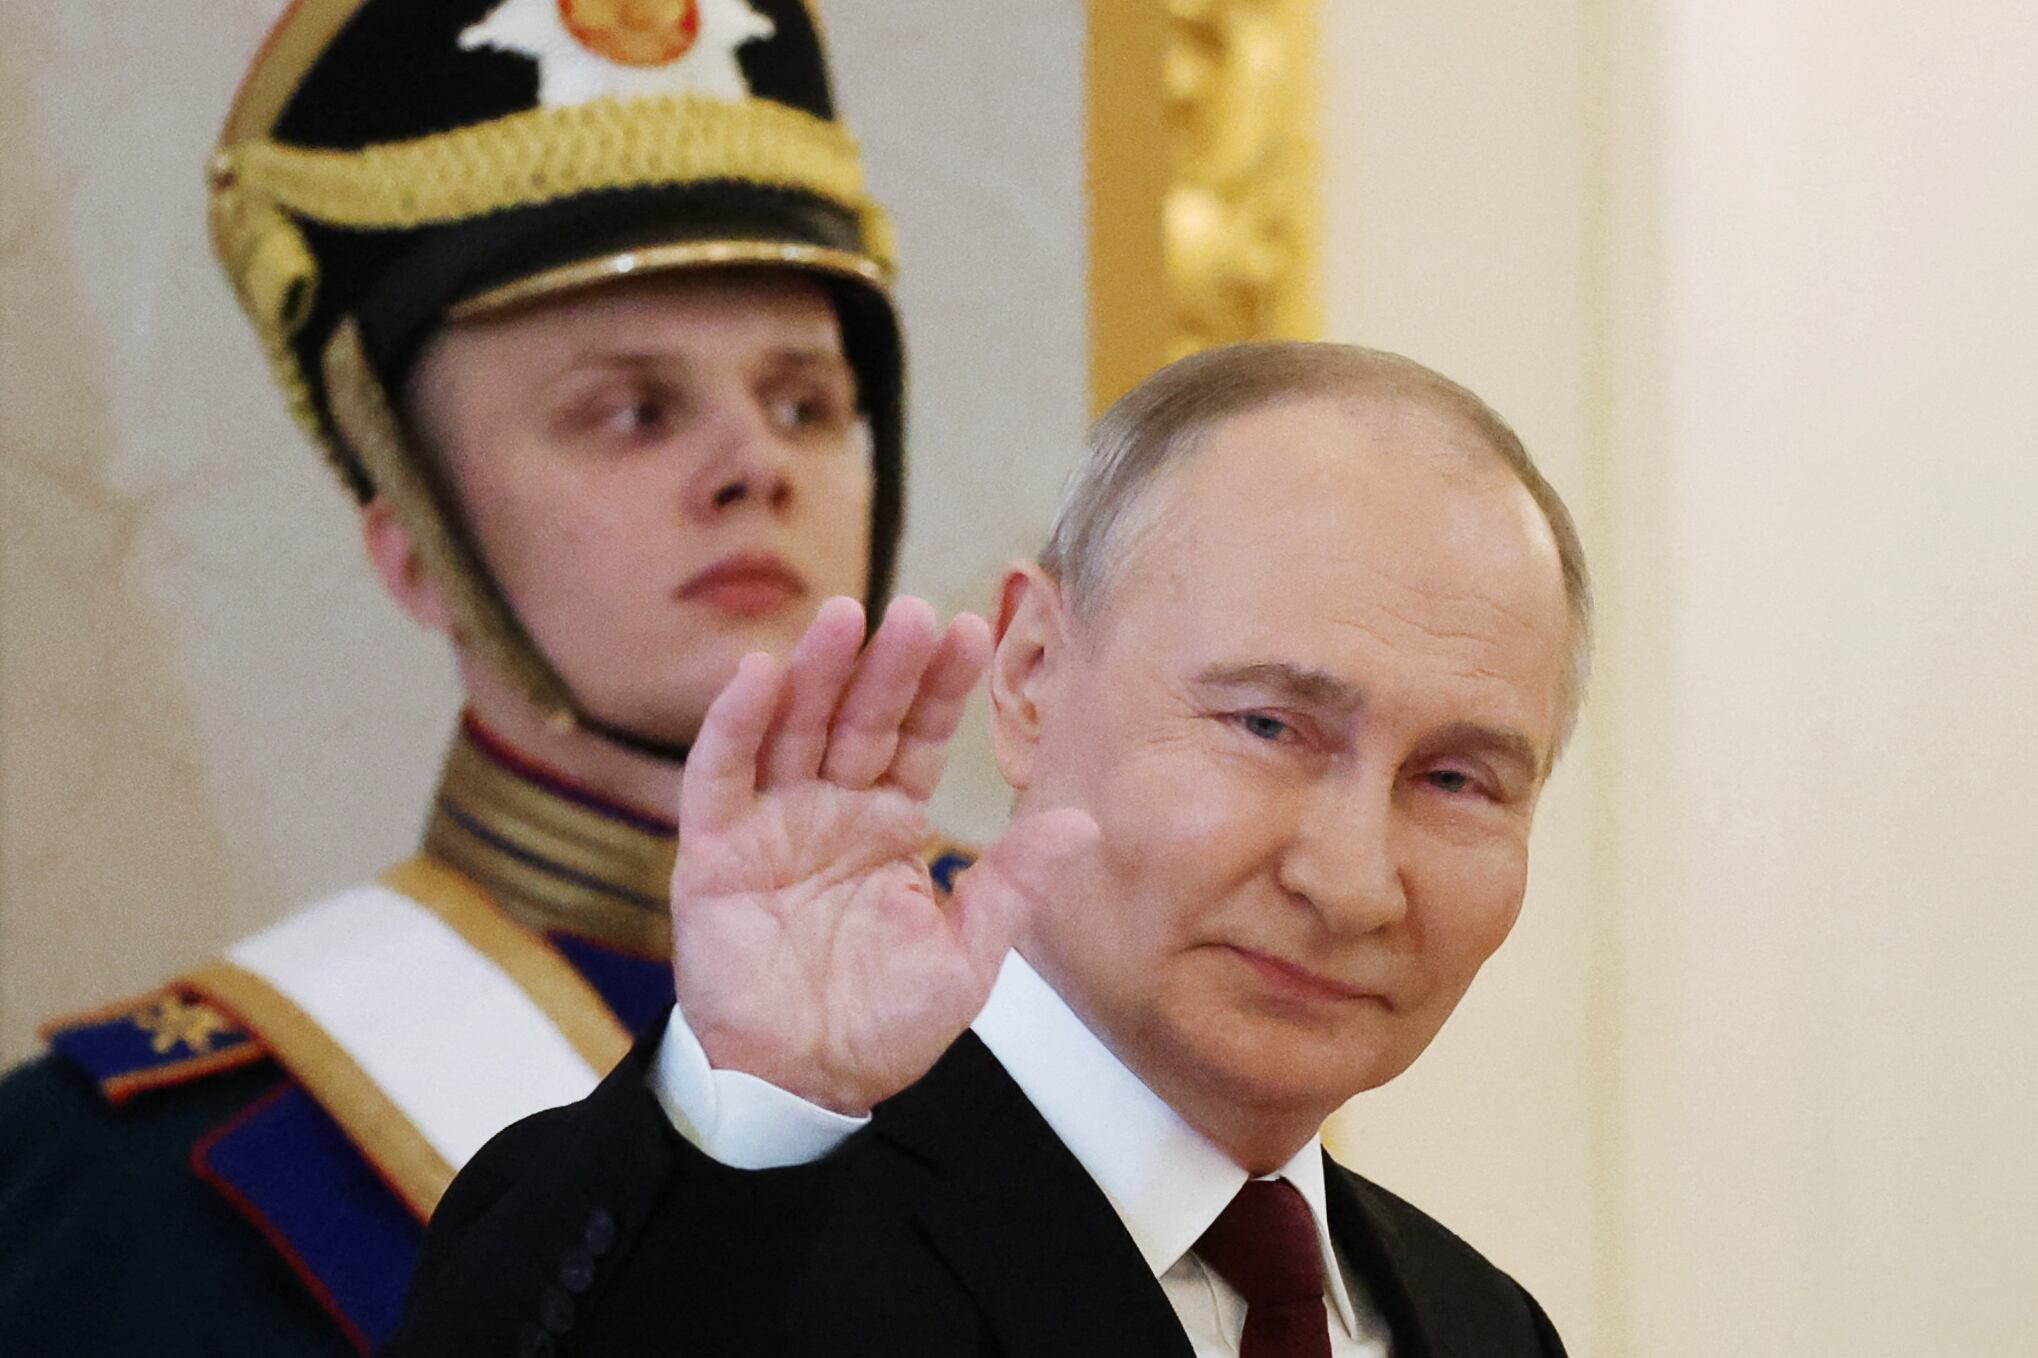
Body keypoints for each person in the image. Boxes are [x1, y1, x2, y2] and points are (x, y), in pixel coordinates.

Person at [0, 2, 971, 1353]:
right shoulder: (130, 1183)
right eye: (630, 408)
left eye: (804, 399)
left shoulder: (1100, 996)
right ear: (414, 548)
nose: (760, 461)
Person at [386, 340, 1591, 1356]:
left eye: (1453, 779)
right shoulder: (733, 1219)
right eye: (1268, 726)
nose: (1350, 880)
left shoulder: (1481, 1325)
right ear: (1028, 677)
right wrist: (755, 1109)